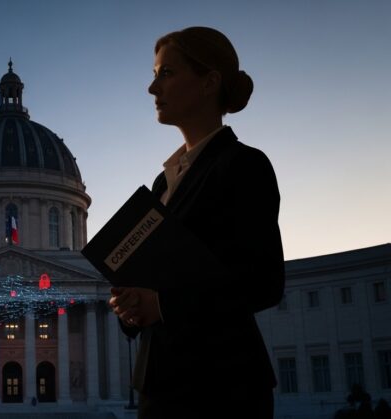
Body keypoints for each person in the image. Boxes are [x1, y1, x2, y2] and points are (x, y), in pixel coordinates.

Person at [108, 26, 284, 419]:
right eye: (155, 75)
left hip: (221, 387)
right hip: (158, 386)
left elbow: (264, 282)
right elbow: (159, 279)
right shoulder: (162, 182)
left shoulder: (243, 165)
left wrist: (162, 304)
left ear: (209, 81)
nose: (153, 89)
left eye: (166, 73)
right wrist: (132, 306)